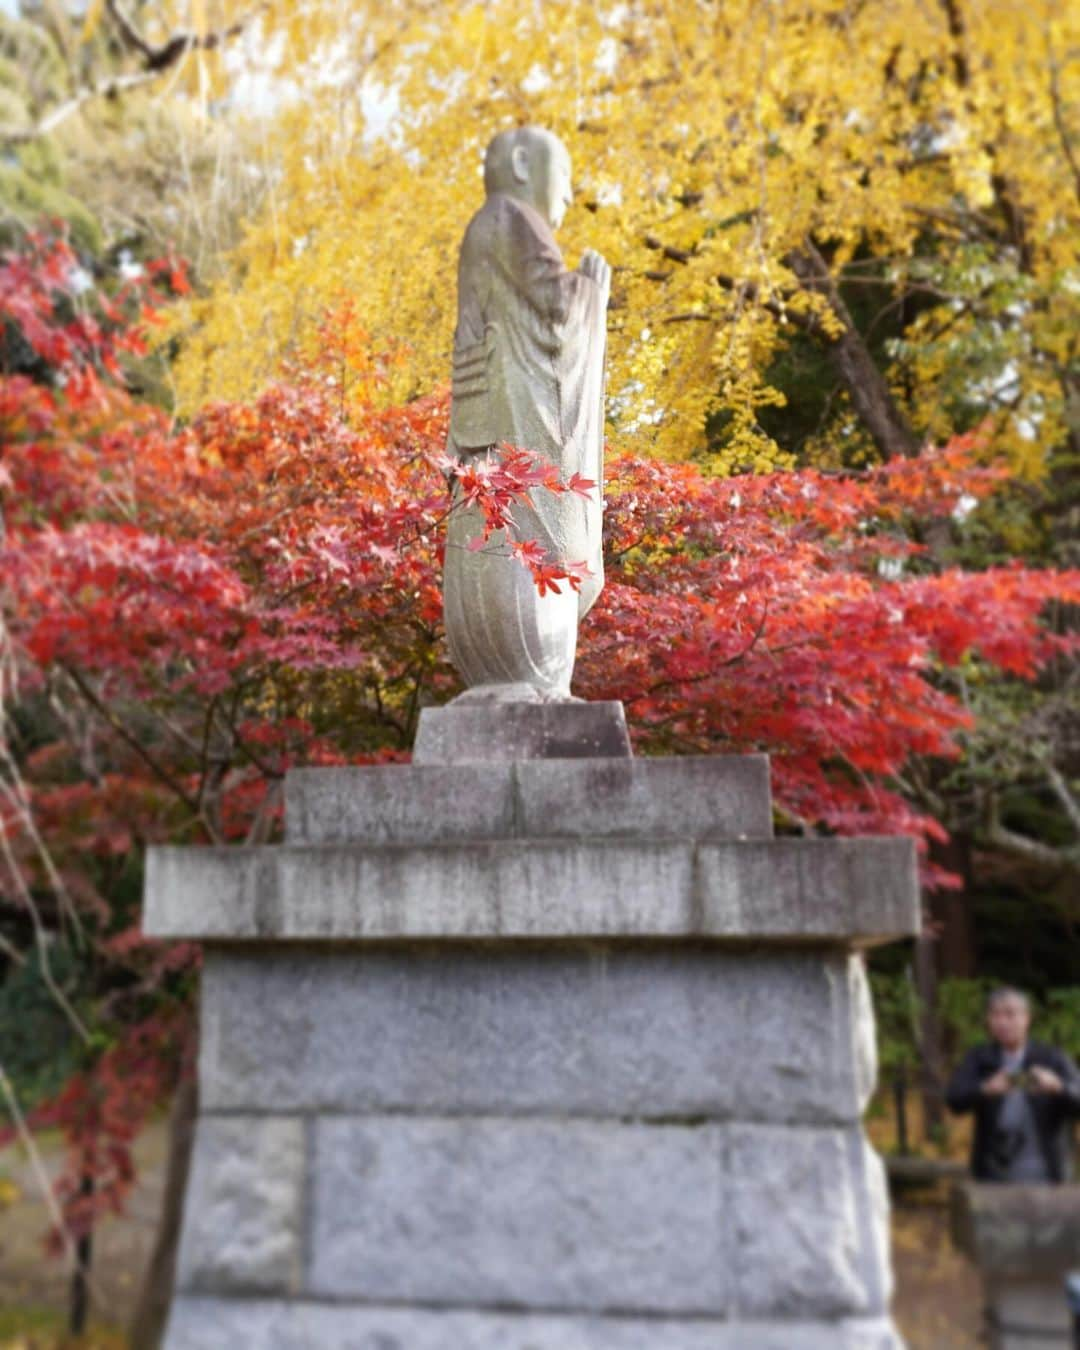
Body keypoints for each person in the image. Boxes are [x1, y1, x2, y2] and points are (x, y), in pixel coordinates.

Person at [443, 126, 610, 701]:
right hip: (507, 431)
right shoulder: (508, 219)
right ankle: (529, 676)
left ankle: (525, 678)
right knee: (524, 545)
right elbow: (559, 311)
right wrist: (593, 295)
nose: (565, 197)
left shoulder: (487, 228)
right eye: (562, 178)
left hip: (489, 439)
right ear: (521, 163)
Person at [945, 986, 1080, 1183]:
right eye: (995, 1015)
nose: (1002, 1022)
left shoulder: (1051, 1057)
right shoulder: (980, 1058)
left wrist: (1058, 1087)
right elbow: (954, 1099)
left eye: (1010, 1014)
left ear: (1026, 1018)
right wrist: (985, 1089)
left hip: (1047, 1170)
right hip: (994, 1170)